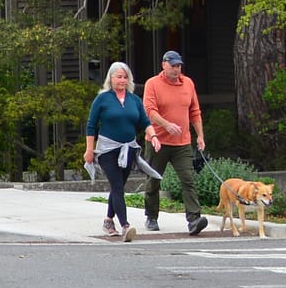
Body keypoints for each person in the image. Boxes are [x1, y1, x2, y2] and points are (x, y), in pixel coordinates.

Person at [83, 61, 156, 240]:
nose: (122, 80)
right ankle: (125, 225)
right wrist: (89, 150)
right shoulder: (103, 98)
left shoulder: (134, 100)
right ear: (111, 78)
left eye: (125, 77)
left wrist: (153, 136)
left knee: (119, 187)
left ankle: (109, 220)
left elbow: (144, 122)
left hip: (128, 149)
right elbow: (91, 125)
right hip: (108, 149)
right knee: (117, 186)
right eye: (118, 77)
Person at [140, 50, 209, 235]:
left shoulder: (188, 83)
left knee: (188, 180)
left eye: (179, 66)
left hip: (182, 143)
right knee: (153, 180)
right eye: (173, 66)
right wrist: (166, 124)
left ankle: (194, 220)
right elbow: (149, 111)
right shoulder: (152, 84)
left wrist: (200, 136)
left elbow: (195, 111)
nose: (176, 69)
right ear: (164, 64)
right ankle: (151, 216)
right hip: (157, 141)